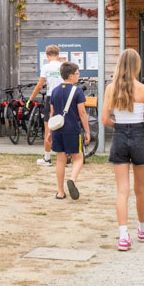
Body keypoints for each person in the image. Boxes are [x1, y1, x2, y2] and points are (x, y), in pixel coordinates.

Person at [101, 48, 144, 251]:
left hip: (120, 136)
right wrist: (140, 124)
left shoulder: (111, 89)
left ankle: (124, 235)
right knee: (140, 189)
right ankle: (141, 228)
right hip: (139, 136)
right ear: (137, 66)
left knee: (122, 190)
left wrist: (120, 126)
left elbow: (105, 119)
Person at [48, 62, 90, 200]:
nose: (79, 76)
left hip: (57, 129)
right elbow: (82, 113)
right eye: (77, 73)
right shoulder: (77, 91)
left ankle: (60, 192)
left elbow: (52, 113)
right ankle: (72, 179)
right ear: (71, 76)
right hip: (72, 129)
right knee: (78, 157)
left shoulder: (55, 91)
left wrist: (49, 131)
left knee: (60, 160)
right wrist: (87, 131)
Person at [30, 45, 64, 167]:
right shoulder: (63, 66)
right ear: (58, 55)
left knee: (48, 128)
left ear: (47, 55)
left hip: (51, 97)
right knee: (64, 127)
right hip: (64, 97)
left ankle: (47, 158)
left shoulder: (46, 67)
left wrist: (31, 99)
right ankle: (66, 156)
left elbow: (39, 85)